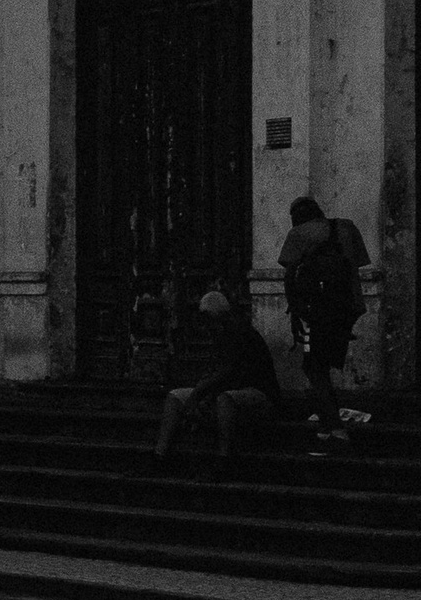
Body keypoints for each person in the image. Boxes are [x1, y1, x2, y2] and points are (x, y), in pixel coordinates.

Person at [278, 195, 371, 448]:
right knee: (323, 362)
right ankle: (327, 422)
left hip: (317, 313)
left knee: (313, 367)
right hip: (348, 309)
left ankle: (335, 428)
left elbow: (289, 277)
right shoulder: (346, 226)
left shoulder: (298, 234)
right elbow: (357, 264)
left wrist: (295, 315)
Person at [154, 289, 280, 474]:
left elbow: (227, 372)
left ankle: (224, 459)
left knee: (225, 399)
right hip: (228, 390)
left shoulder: (240, 333)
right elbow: (216, 373)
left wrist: (199, 393)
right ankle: (159, 456)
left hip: (258, 392)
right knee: (175, 397)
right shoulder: (221, 335)